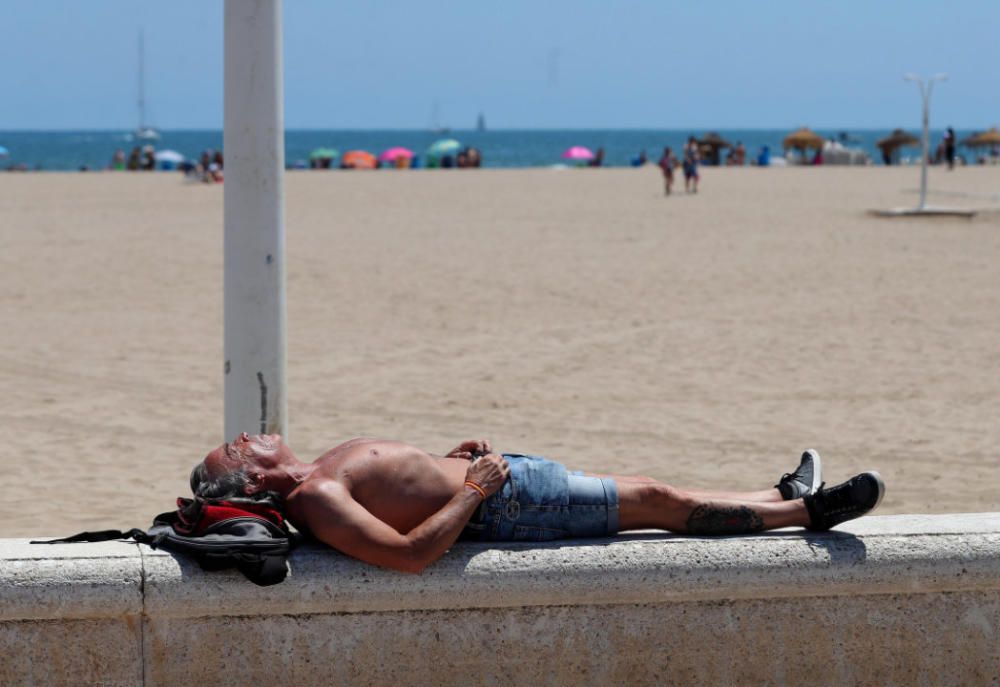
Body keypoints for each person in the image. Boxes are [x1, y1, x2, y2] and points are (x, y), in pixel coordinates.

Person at [191, 433, 885, 574]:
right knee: (656, 499)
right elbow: (409, 554)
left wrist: (451, 456)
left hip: (501, 482)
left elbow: (402, 484)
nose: (247, 433)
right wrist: (473, 489)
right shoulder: (319, 497)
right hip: (510, 506)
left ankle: (776, 495)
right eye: (237, 445)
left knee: (654, 491)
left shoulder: (321, 471)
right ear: (252, 478)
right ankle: (809, 513)